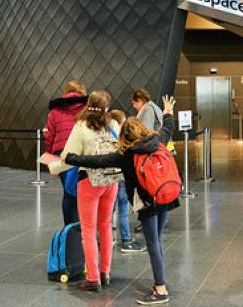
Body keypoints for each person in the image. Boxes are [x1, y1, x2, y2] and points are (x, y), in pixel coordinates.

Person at [66, 95, 180, 305]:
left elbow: (97, 161)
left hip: (146, 202)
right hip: (166, 197)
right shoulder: (158, 140)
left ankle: (161, 289)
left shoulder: (127, 154)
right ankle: (159, 281)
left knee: (152, 243)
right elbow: (168, 126)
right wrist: (167, 110)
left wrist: (71, 158)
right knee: (158, 240)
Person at [54, 90, 119, 292]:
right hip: (112, 181)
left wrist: (55, 169)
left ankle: (92, 278)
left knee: (88, 230)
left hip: (90, 182)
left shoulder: (81, 127)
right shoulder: (113, 125)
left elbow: (67, 156)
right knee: (106, 226)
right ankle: (105, 273)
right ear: (106, 108)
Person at [44, 80, 88, 225]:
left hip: (61, 152)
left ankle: (70, 229)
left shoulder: (56, 111)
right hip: (82, 153)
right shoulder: (86, 108)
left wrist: (51, 163)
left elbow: (49, 136)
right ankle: (85, 227)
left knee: (68, 193)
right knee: (84, 191)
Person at [107, 109, 146, 253]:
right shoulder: (121, 135)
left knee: (110, 210)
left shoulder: (105, 132)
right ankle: (126, 240)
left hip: (109, 177)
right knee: (123, 210)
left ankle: (108, 238)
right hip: (121, 177)